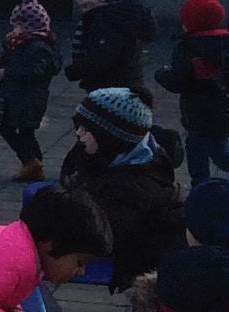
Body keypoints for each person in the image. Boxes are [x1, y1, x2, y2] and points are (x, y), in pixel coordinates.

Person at [56, 87, 187, 293]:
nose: (78, 133)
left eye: (86, 129)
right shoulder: (114, 156)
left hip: (146, 270)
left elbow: (100, 235)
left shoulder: (132, 188)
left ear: (110, 138)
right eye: (78, 126)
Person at [157, 0, 229, 192]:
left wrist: (160, 74)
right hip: (225, 111)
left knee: (212, 156)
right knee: (213, 152)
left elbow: (178, 81)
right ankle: (203, 189)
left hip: (197, 113)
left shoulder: (187, 48)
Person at [0, 0, 63, 183]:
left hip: (25, 97)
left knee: (10, 129)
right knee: (25, 131)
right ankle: (33, 163)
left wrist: (8, 72)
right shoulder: (27, 44)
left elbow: (33, 72)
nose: (15, 29)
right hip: (22, 96)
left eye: (18, 26)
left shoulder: (36, 47)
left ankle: (31, 162)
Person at [66, 0, 154, 100]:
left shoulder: (106, 21)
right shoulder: (95, 18)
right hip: (116, 87)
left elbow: (102, 57)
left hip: (113, 89)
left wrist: (75, 70)